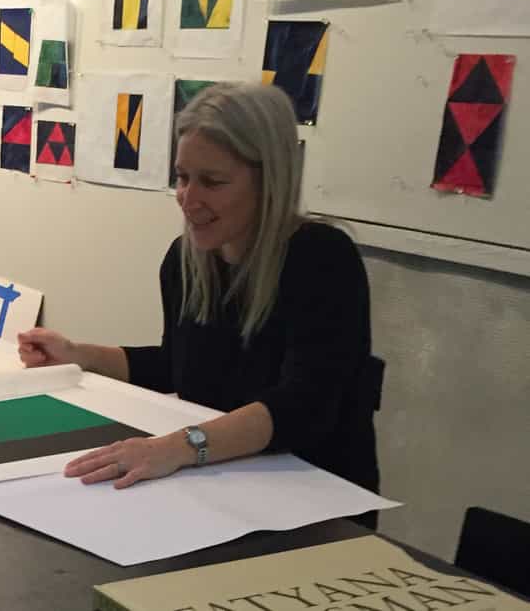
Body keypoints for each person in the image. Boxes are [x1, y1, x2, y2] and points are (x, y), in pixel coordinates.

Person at [19, 83, 379, 498]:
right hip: (226, 485)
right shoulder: (186, 260)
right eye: (183, 177)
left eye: (212, 181)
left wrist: (176, 447)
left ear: (270, 180)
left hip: (314, 498)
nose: (189, 200)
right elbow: (178, 364)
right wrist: (79, 356)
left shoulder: (322, 259)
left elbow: (303, 408)